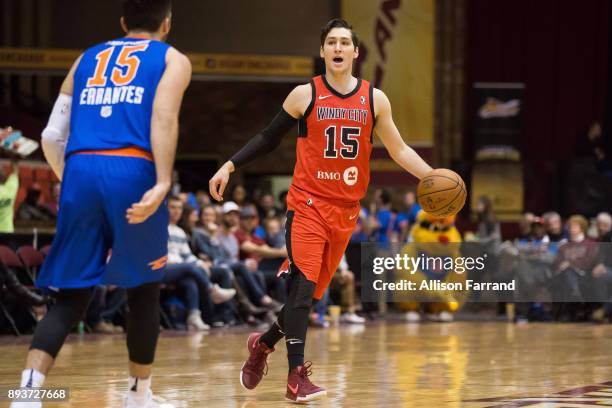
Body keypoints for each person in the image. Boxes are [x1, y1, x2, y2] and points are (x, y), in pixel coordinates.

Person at [209, 18, 433, 402]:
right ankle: (296, 377)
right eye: (331, 42)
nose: (338, 47)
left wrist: (431, 176)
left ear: (356, 52)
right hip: (307, 205)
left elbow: (398, 150)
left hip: (345, 213)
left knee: (306, 299)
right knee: (302, 287)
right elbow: (268, 138)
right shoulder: (304, 94)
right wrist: (230, 165)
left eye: (345, 42)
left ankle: (261, 345)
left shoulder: (374, 99)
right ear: (323, 51)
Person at [11, 1, 191, 407]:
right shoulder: (173, 59)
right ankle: (137, 395)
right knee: (144, 289)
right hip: (133, 168)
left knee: (72, 293)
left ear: (123, 22)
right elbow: (163, 117)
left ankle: (27, 392)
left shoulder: (87, 57)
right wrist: (163, 181)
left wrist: (72, 179)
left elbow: (51, 135)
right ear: (167, 23)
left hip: (80, 168)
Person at [0, 155, 19, 233]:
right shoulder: (10, 188)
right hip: (8, 234)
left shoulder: (9, 187)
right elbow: (15, 172)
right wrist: (13, 156)